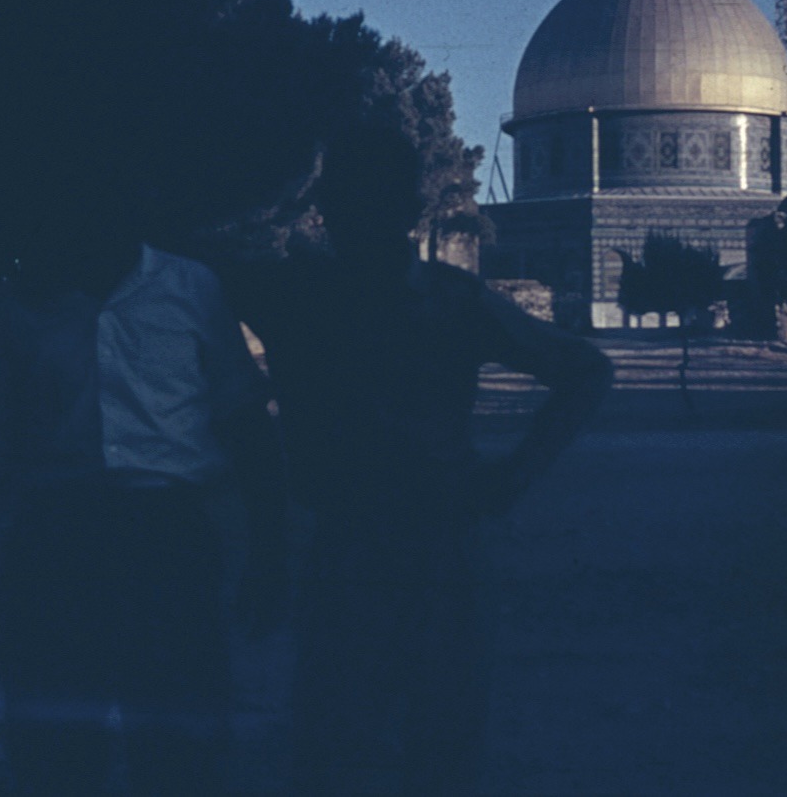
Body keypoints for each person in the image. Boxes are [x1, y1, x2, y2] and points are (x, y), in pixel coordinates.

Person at [231, 124, 613, 797]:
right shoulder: (441, 301)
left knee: (387, 742)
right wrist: (508, 481)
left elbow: (586, 371)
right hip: (413, 546)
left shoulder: (299, 298)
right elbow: (583, 371)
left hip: (398, 549)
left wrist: (510, 480)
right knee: (387, 743)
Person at [0, 191, 284, 795]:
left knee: (181, 744)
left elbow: (244, 420)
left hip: (167, 539)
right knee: (54, 749)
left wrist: (271, 549)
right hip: (56, 542)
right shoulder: (15, 308)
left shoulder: (192, 289)